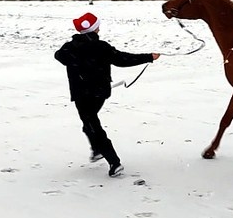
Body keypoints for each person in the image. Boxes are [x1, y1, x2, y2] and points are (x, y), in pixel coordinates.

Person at [54, 12, 160, 177]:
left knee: (92, 125)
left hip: (82, 94)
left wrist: (77, 52)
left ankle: (114, 162)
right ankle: (97, 150)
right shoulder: (101, 47)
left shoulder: (69, 48)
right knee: (89, 123)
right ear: (94, 29)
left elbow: (59, 56)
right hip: (99, 93)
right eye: (97, 27)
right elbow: (122, 59)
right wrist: (148, 57)